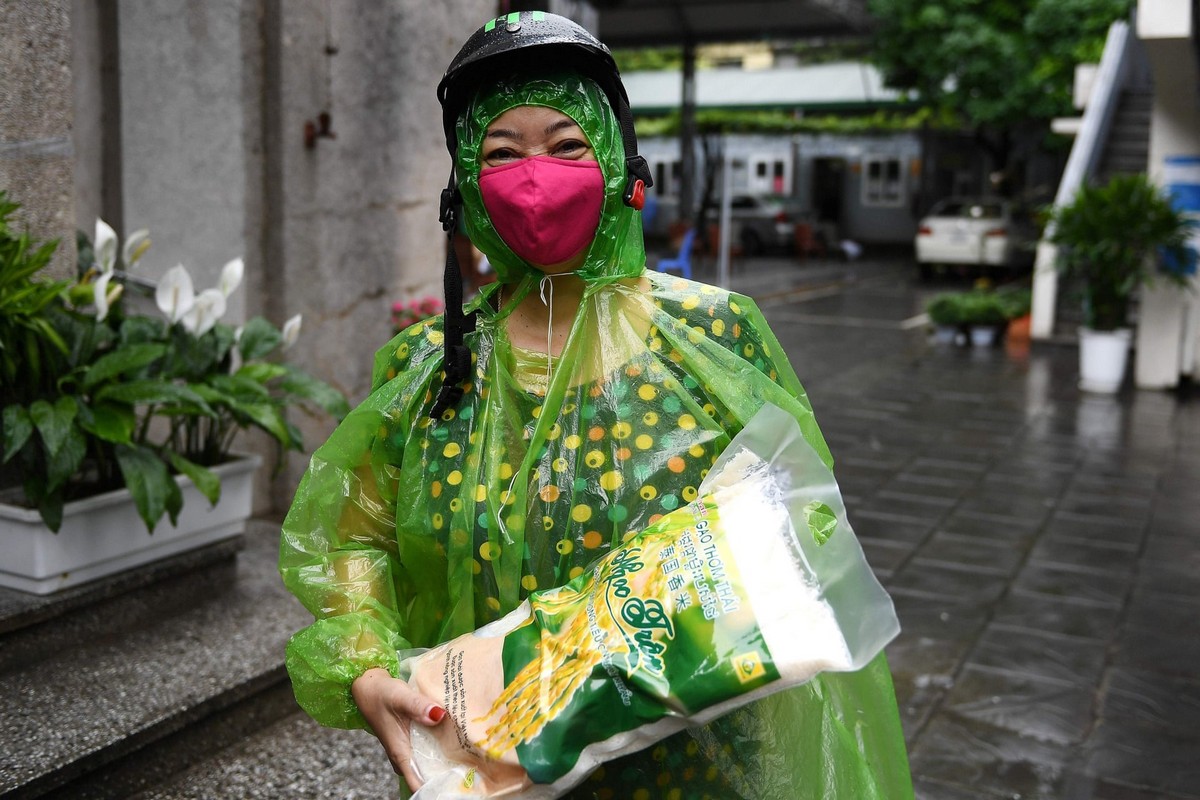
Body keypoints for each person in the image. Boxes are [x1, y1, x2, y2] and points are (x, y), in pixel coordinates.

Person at [279, 11, 913, 799]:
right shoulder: (430, 370)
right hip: (489, 765)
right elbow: (353, 537)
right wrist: (367, 664)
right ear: (465, 189)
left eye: (567, 145)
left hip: (692, 771)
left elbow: (798, 525)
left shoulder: (713, 339)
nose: (534, 176)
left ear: (617, 163)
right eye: (500, 153)